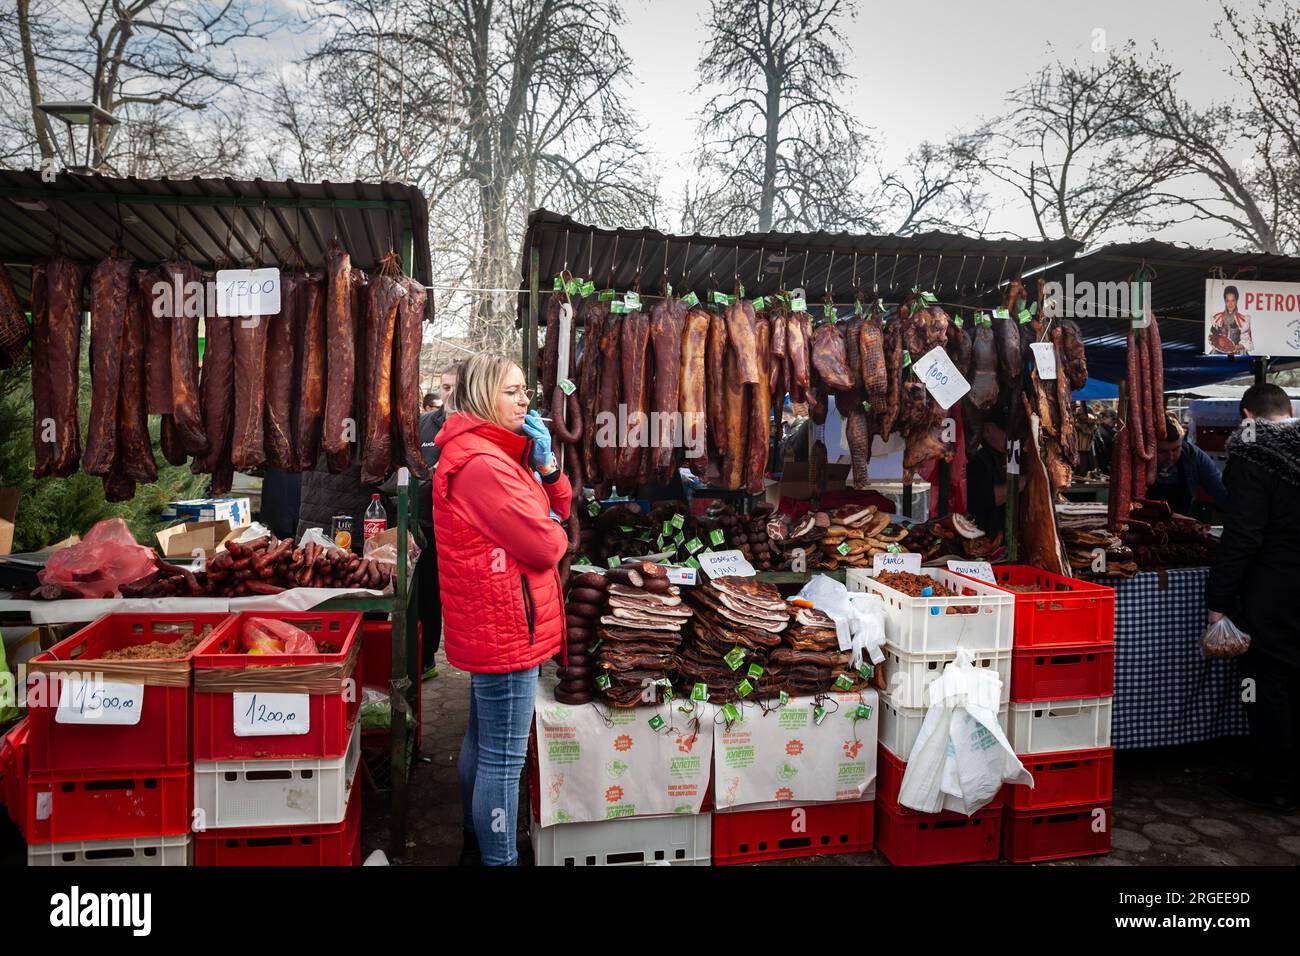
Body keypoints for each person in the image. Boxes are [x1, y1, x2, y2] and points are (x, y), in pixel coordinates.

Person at [433, 354, 570, 865]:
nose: (525, 399)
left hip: (501, 621)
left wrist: (549, 469)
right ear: (485, 396)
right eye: (513, 391)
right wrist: (552, 523)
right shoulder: (482, 465)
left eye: (524, 390)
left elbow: (560, 510)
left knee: (482, 742)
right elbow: (548, 545)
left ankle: (476, 843)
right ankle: (499, 858)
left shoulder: (494, 454)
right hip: (508, 627)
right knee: (502, 759)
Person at [1206, 383, 1300, 812]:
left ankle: (1273, 782)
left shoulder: (1251, 453)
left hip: (1273, 588)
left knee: (1263, 684)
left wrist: (1219, 600)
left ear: (1246, 416)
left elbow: (1242, 535)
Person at [415, 365, 457, 679]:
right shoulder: (423, 425)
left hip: (463, 530)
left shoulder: (482, 427)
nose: (449, 393)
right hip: (426, 526)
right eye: (444, 387)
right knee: (427, 595)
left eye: (455, 386)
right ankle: (426, 658)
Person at [1145, 413, 1228, 515]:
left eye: (1176, 449)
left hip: (1182, 526)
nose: (1170, 457)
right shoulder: (1136, 458)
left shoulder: (1193, 456)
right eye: (1162, 452)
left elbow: (1222, 492)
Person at [967, 419, 1009, 536]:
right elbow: (983, 498)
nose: (1014, 437)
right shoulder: (976, 460)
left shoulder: (1009, 457)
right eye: (1007, 431)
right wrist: (1025, 481)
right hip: (984, 535)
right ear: (988, 429)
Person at [1209, 285, 1253, 355]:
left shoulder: (1244, 320)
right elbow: (1212, 336)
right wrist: (1216, 341)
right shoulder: (1216, 318)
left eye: (1233, 300)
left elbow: (1247, 341)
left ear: (1236, 301)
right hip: (1219, 353)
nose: (1230, 304)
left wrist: (1237, 347)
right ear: (1225, 301)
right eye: (1227, 301)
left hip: (1237, 354)